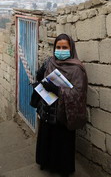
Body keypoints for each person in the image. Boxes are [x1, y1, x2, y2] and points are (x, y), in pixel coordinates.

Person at [35, 34, 88, 176]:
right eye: (58, 47)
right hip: (48, 108)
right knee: (47, 137)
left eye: (64, 47)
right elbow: (40, 77)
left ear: (71, 48)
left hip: (64, 113)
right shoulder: (50, 62)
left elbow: (78, 94)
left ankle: (63, 169)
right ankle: (45, 162)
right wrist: (40, 75)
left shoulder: (77, 69)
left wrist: (58, 90)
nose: (61, 50)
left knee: (62, 142)